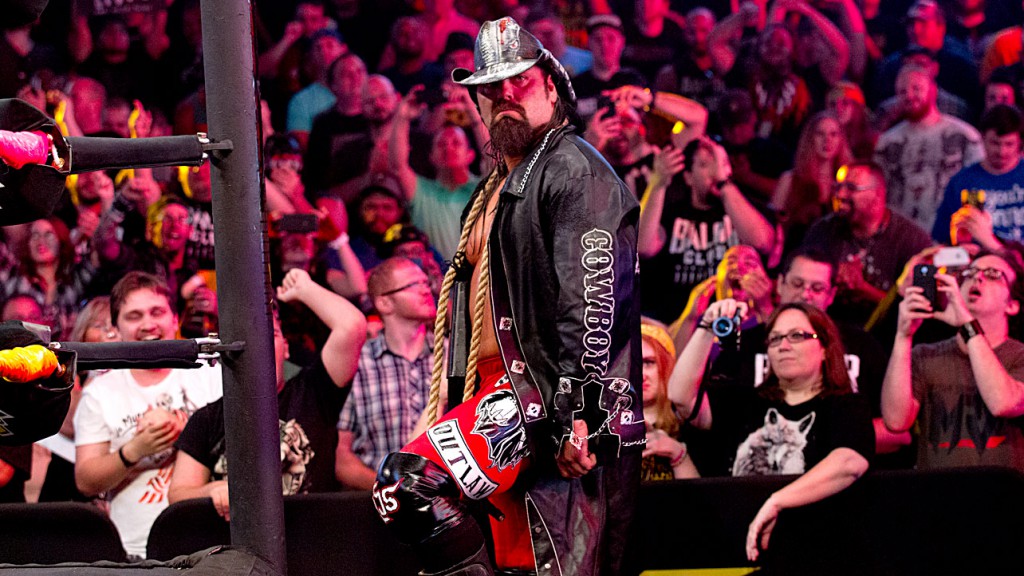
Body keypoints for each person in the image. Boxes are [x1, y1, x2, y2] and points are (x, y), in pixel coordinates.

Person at [372, 18, 642, 576]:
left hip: (541, 395)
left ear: (552, 87)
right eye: (491, 88)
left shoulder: (573, 170)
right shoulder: (496, 185)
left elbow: (593, 305)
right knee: (521, 562)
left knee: (408, 484)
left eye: (520, 80)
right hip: (503, 391)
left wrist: (577, 416)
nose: (505, 95)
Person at [668, 301, 873, 562]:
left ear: (824, 348)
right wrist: (707, 327)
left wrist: (777, 501)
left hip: (814, 552)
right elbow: (680, 397)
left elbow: (849, 462)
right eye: (775, 338)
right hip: (738, 550)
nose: (783, 346)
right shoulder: (747, 402)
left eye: (796, 336)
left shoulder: (845, 406)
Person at [169, 268, 365, 515]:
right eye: (245, 338)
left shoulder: (313, 393)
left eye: (270, 334)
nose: (259, 345)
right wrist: (211, 491)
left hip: (312, 535)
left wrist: (305, 289)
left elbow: (352, 326)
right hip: (239, 538)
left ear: (286, 348)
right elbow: (177, 496)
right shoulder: (208, 419)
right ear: (225, 353)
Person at [74, 272, 223, 559]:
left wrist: (188, 434)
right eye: (134, 316)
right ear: (116, 327)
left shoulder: (211, 376)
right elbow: (86, 480)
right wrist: (134, 451)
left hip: (211, 543)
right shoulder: (100, 392)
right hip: (134, 550)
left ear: (175, 318)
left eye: (157, 312)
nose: (147, 324)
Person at [882, 249, 1024, 470]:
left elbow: (1003, 403)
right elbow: (895, 420)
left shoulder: (1019, 355)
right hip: (938, 488)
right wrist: (903, 336)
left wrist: (968, 325)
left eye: (993, 274)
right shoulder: (926, 354)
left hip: (1001, 489)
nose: (977, 277)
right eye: (970, 272)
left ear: (1012, 305)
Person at [638, 136, 776, 324]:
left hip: (738, 321)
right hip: (679, 324)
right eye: (704, 165)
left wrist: (723, 183)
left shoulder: (747, 209)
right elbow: (643, 246)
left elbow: (762, 242)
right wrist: (658, 183)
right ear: (688, 177)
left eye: (720, 164)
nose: (714, 172)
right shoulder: (672, 213)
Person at [335, 258, 435, 490]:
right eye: (413, 284)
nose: (425, 289)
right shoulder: (360, 363)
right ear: (384, 303)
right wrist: (390, 491)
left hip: (449, 502)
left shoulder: (450, 356)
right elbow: (342, 458)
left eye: (425, 282)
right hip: (377, 504)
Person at [802, 161, 934, 326]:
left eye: (851, 188)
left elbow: (924, 312)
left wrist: (864, 289)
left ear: (878, 194)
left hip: (887, 336)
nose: (840, 195)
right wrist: (830, 275)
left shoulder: (914, 240)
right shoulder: (822, 230)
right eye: (838, 187)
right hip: (828, 330)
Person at [873, 64, 984, 235]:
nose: (909, 96)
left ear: (933, 90)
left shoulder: (964, 136)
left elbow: (977, 185)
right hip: (901, 235)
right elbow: (878, 193)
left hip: (950, 233)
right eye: (902, 91)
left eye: (916, 88)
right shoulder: (887, 143)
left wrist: (970, 232)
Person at [932, 105, 1024, 247]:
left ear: (1020, 143)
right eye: (995, 143)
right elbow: (942, 238)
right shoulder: (962, 182)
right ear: (982, 138)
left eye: (1009, 144)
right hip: (978, 258)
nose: (1001, 151)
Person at [772, 111, 853, 254]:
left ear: (841, 139)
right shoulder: (790, 180)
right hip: (796, 255)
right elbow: (774, 226)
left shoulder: (849, 183)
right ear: (810, 139)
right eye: (820, 134)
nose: (827, 140)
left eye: (833, 134)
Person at [640, 319, 699, 481]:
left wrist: (677, 453)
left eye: (649, 363)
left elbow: (703, 494)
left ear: (667, 367)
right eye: (633, 364)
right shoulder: (605, 426)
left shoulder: (689, 424)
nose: (641, 374)